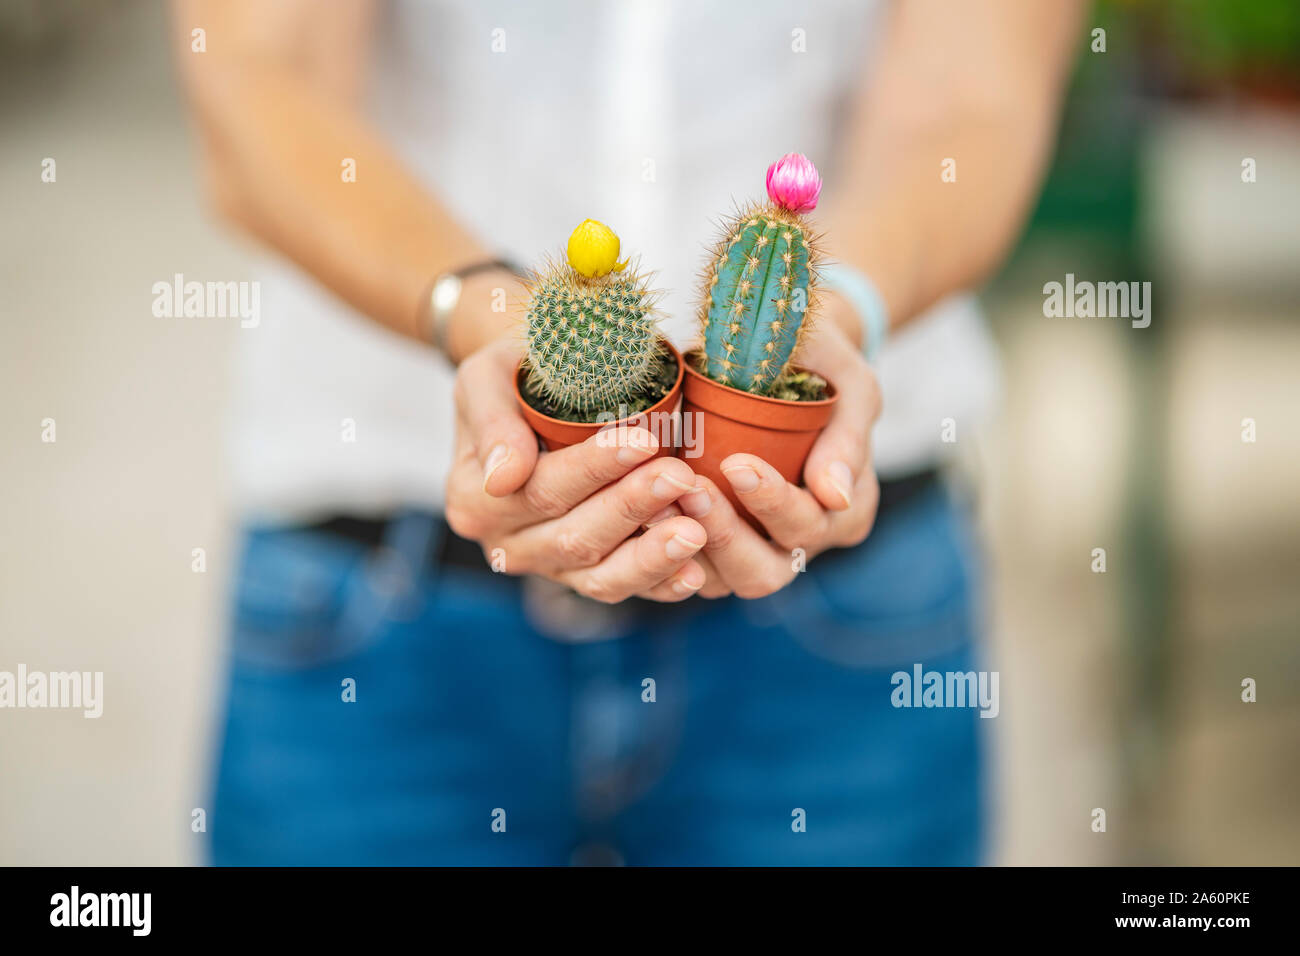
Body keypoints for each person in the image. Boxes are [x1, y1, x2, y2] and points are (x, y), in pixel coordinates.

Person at [176, 0, 1083, 864]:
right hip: (374, 598)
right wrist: (483, 315)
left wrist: (836, 314)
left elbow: (978, 103)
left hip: (844, 609)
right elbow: (256, 72)